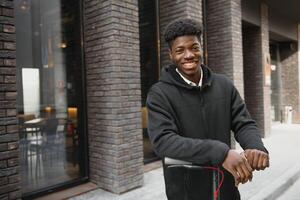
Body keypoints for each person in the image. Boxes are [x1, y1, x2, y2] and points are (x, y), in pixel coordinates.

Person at [146, 18, 269, 200]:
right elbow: (163, 141)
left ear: (201, 48)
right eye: (180, 50)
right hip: (185, 192)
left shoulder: (224, 85)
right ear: (171, 54)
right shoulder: (159, 94)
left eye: (194, 47)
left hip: (226, 187)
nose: (189, 55)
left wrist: (255, 147)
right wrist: (221, 152)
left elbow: (244, 123)